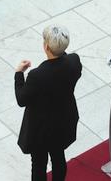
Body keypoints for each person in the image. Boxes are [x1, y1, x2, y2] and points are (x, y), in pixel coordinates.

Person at [15, 25, 81, 181]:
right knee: (58, 157)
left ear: (46, 46)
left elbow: (21, 99)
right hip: (64, 120)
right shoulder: (74, 61)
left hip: (41, 128)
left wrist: (18, 74)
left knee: (38, 164)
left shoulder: (37, 75)